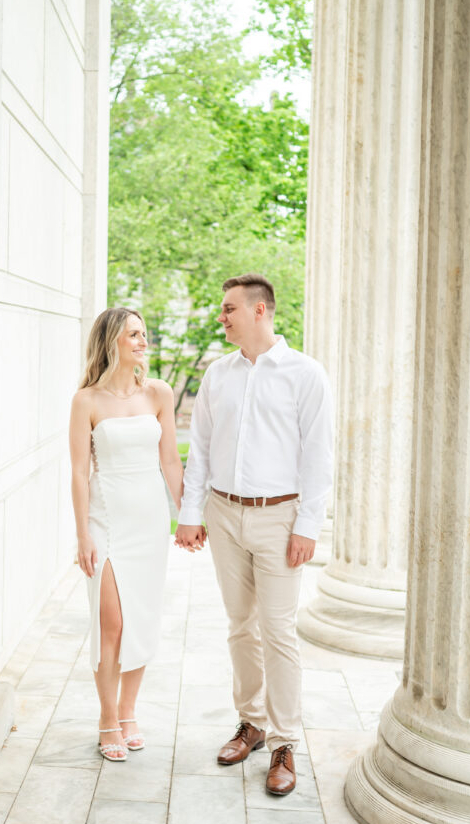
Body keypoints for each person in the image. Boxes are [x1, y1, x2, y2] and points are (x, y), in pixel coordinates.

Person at [176, 274, 333, 795]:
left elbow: (317, 456)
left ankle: (286, 742)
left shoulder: (305, 374)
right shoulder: (218, 375)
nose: (222, 317)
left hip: (279, 518)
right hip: (223, 514)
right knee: (240, 626)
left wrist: (308, 525)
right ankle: (253, 724)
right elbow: (198, 448)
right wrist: (189, 513)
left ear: (259, 310)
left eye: (229, 309)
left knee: (279, 631)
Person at [69, 307, 183, 761]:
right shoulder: (87, 401)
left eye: (143, 334)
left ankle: (129, 712)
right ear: (112, 340)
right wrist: (82, 536)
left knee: (140, 617)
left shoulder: (159, 393)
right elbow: (80, 473)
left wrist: (188, 516)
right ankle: (106, 717)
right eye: (133, 334)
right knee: (111, 621)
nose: (142, 341)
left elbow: (171, 462)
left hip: (150, 520)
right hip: (107, 520)